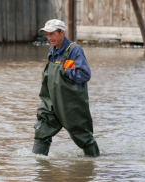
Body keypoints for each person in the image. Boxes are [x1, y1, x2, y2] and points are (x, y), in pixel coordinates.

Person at [32, 19, 100, 157]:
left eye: (52, 34)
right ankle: (38, 167)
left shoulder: (74, 50)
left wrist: (65, 71)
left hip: (71, 104)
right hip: (50, 101)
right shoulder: (52, 49)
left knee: (83, 137)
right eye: (47, 34)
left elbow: (85, 74)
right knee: (42, 131)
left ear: (61, 32)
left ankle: (94, 162)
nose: (49, 38)